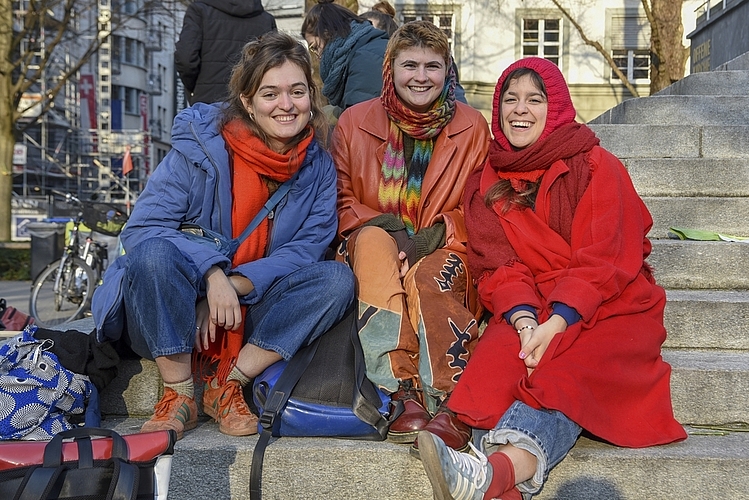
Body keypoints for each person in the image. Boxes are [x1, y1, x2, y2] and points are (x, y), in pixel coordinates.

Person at [418, 57, 687, 500]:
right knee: (506, 355)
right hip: (534, 299)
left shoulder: (599, 165)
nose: (520, 110)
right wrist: (526, 321)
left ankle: (490, 474)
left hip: (611, 301)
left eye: (534, 100)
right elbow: (499, 264)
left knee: (564, 375)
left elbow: (604, 257)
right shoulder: (487, 178)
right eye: (511, 99)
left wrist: (558, 322)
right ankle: (482, 461)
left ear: (556, 106)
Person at [92, 31, 355, 440]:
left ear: (311, 97)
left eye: (297, 91)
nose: (286, 105)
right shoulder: (199, 146)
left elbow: (307, 249)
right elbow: (142, 228)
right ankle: (178, 393)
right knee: (154, 254)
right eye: (271, 93)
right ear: (248, 102)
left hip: (248, 307)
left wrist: (233, 287)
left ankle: (227, 384)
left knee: (336, 280)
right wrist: (212, 276)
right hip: (165, 306)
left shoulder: (318, 164)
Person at [330, 21, 490, 455]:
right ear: (390, 68)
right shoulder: (353, 122)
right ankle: (398, 388)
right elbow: (340, 200)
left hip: (446, 245)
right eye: (410, 65)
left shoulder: (473, 127)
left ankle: (448, 402)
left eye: (433, 66)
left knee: (430, 274)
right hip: (370, 247)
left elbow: (481, 206)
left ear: (447, 70)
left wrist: (433, 236)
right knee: (376, 246)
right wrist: (392, 229)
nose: (421, 76)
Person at [301, 0, 389, 122]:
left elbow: (360, 124)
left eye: (315, 47)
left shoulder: (365, 59)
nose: (317, 57)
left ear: (327, 34)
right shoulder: (362, 49)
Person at [175, 0, 277, 105]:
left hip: (208, 102)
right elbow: (274, 64)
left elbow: (186, 58)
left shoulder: (199, 11)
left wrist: (194, 87)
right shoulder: (266, 20)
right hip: (250, 104)